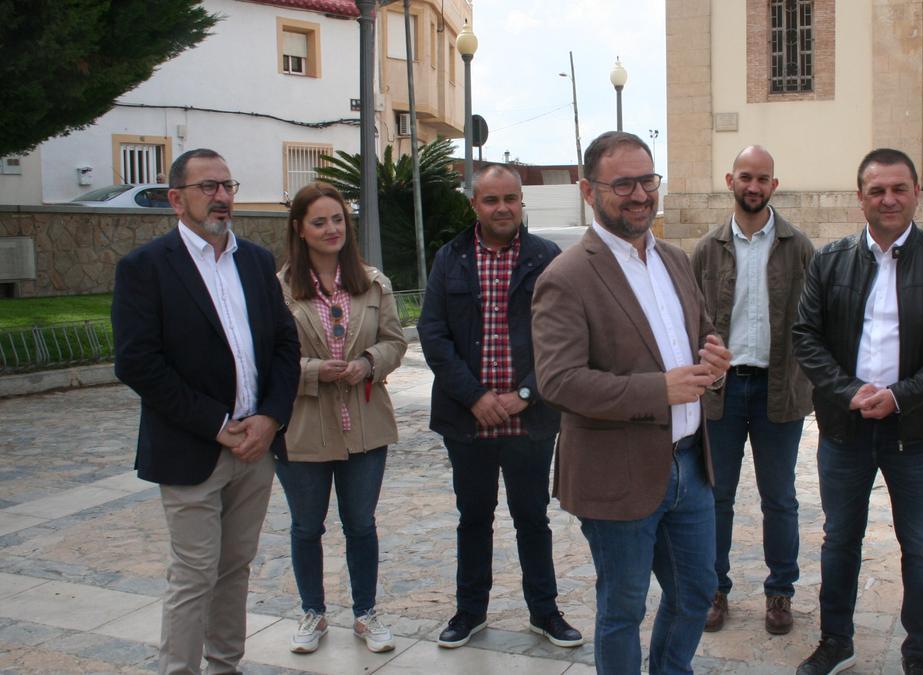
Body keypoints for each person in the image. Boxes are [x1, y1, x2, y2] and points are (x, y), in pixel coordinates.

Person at [532, 131, 733, 674]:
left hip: (691, 464)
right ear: (588, 190)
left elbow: (701, 333)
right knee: (623, 609)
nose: (640, 194)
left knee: (696, 593)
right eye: (623, 183)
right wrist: (658, 390)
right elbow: (559, 381)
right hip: (616, 474)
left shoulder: (674, 259)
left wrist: (714, 359)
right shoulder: (566, 277)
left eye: (648, 180)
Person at [792, 148, 923, 675]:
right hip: (844, 430)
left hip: (916, 432)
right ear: (861, 199)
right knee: (839, 539)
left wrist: (900, 395)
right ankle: (836, 642)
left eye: (899, 188)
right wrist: (848, 390)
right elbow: (806, 337)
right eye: (877, 190)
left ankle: (918, 654)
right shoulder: (829, 262)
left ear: (917, 193)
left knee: (921, 546)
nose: (888, 199)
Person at [112, 148, 300, 675]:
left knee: (235, 568)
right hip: (192, 447)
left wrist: (269, 418)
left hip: (257, 446)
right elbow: (139, 364)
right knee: (194, 573)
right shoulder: (145, 268)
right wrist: (219, 426)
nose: (221, 197)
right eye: (208, 187)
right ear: (176, 199)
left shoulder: (256, 261)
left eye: (228, 185)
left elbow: (285, 345)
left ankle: (225, 666)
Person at [417, 163, 582, 650]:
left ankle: (544, 612)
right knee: (474, 518)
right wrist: (476, 397)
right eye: (492, 200)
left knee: (532, 517)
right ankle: (470, 611)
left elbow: (563, 336)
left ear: (521, 201)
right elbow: (433, 333)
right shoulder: (450, 259)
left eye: (511, 198)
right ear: (475, 205)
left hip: (528, 419)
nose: (503, 208)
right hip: (467, 419)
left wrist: (525, 394)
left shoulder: (546, 258)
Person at [274, 182, 407, 654]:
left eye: (337, 220)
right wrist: (313, 371)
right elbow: (267, 359)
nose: (331, 229)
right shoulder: (280, 289)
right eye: (319, 221)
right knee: (307, 526)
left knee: (361, 524)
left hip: (366, 421)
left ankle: (366, 613)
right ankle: (313, 612)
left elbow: (395, 341)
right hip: (304, 425)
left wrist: (368, 362)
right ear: (300, 229)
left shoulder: (373, 282)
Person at [691, 145, 814, 635]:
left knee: (779, 498)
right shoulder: (707, 248)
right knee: (715, 497)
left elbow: (813, 322)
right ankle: (713, 589)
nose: (754, 186)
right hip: (721, 392)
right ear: (730, 180)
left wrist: (809, 379)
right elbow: (692, 320)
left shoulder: (798, 246)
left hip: (778, 392)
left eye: (763, 178)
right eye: (746, 176)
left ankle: (780, 593)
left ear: (774, 186)